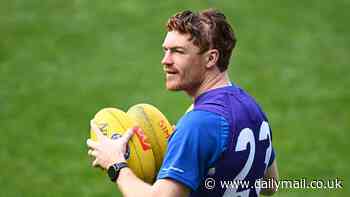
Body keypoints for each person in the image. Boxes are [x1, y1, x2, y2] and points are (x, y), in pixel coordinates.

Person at [87, 9, 279, 197]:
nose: (165, 61)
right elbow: (270, 185)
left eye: (178, 52)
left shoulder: (197, 125)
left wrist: (117, 164)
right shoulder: (252, 108)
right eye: (165, 50)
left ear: (211, 58)